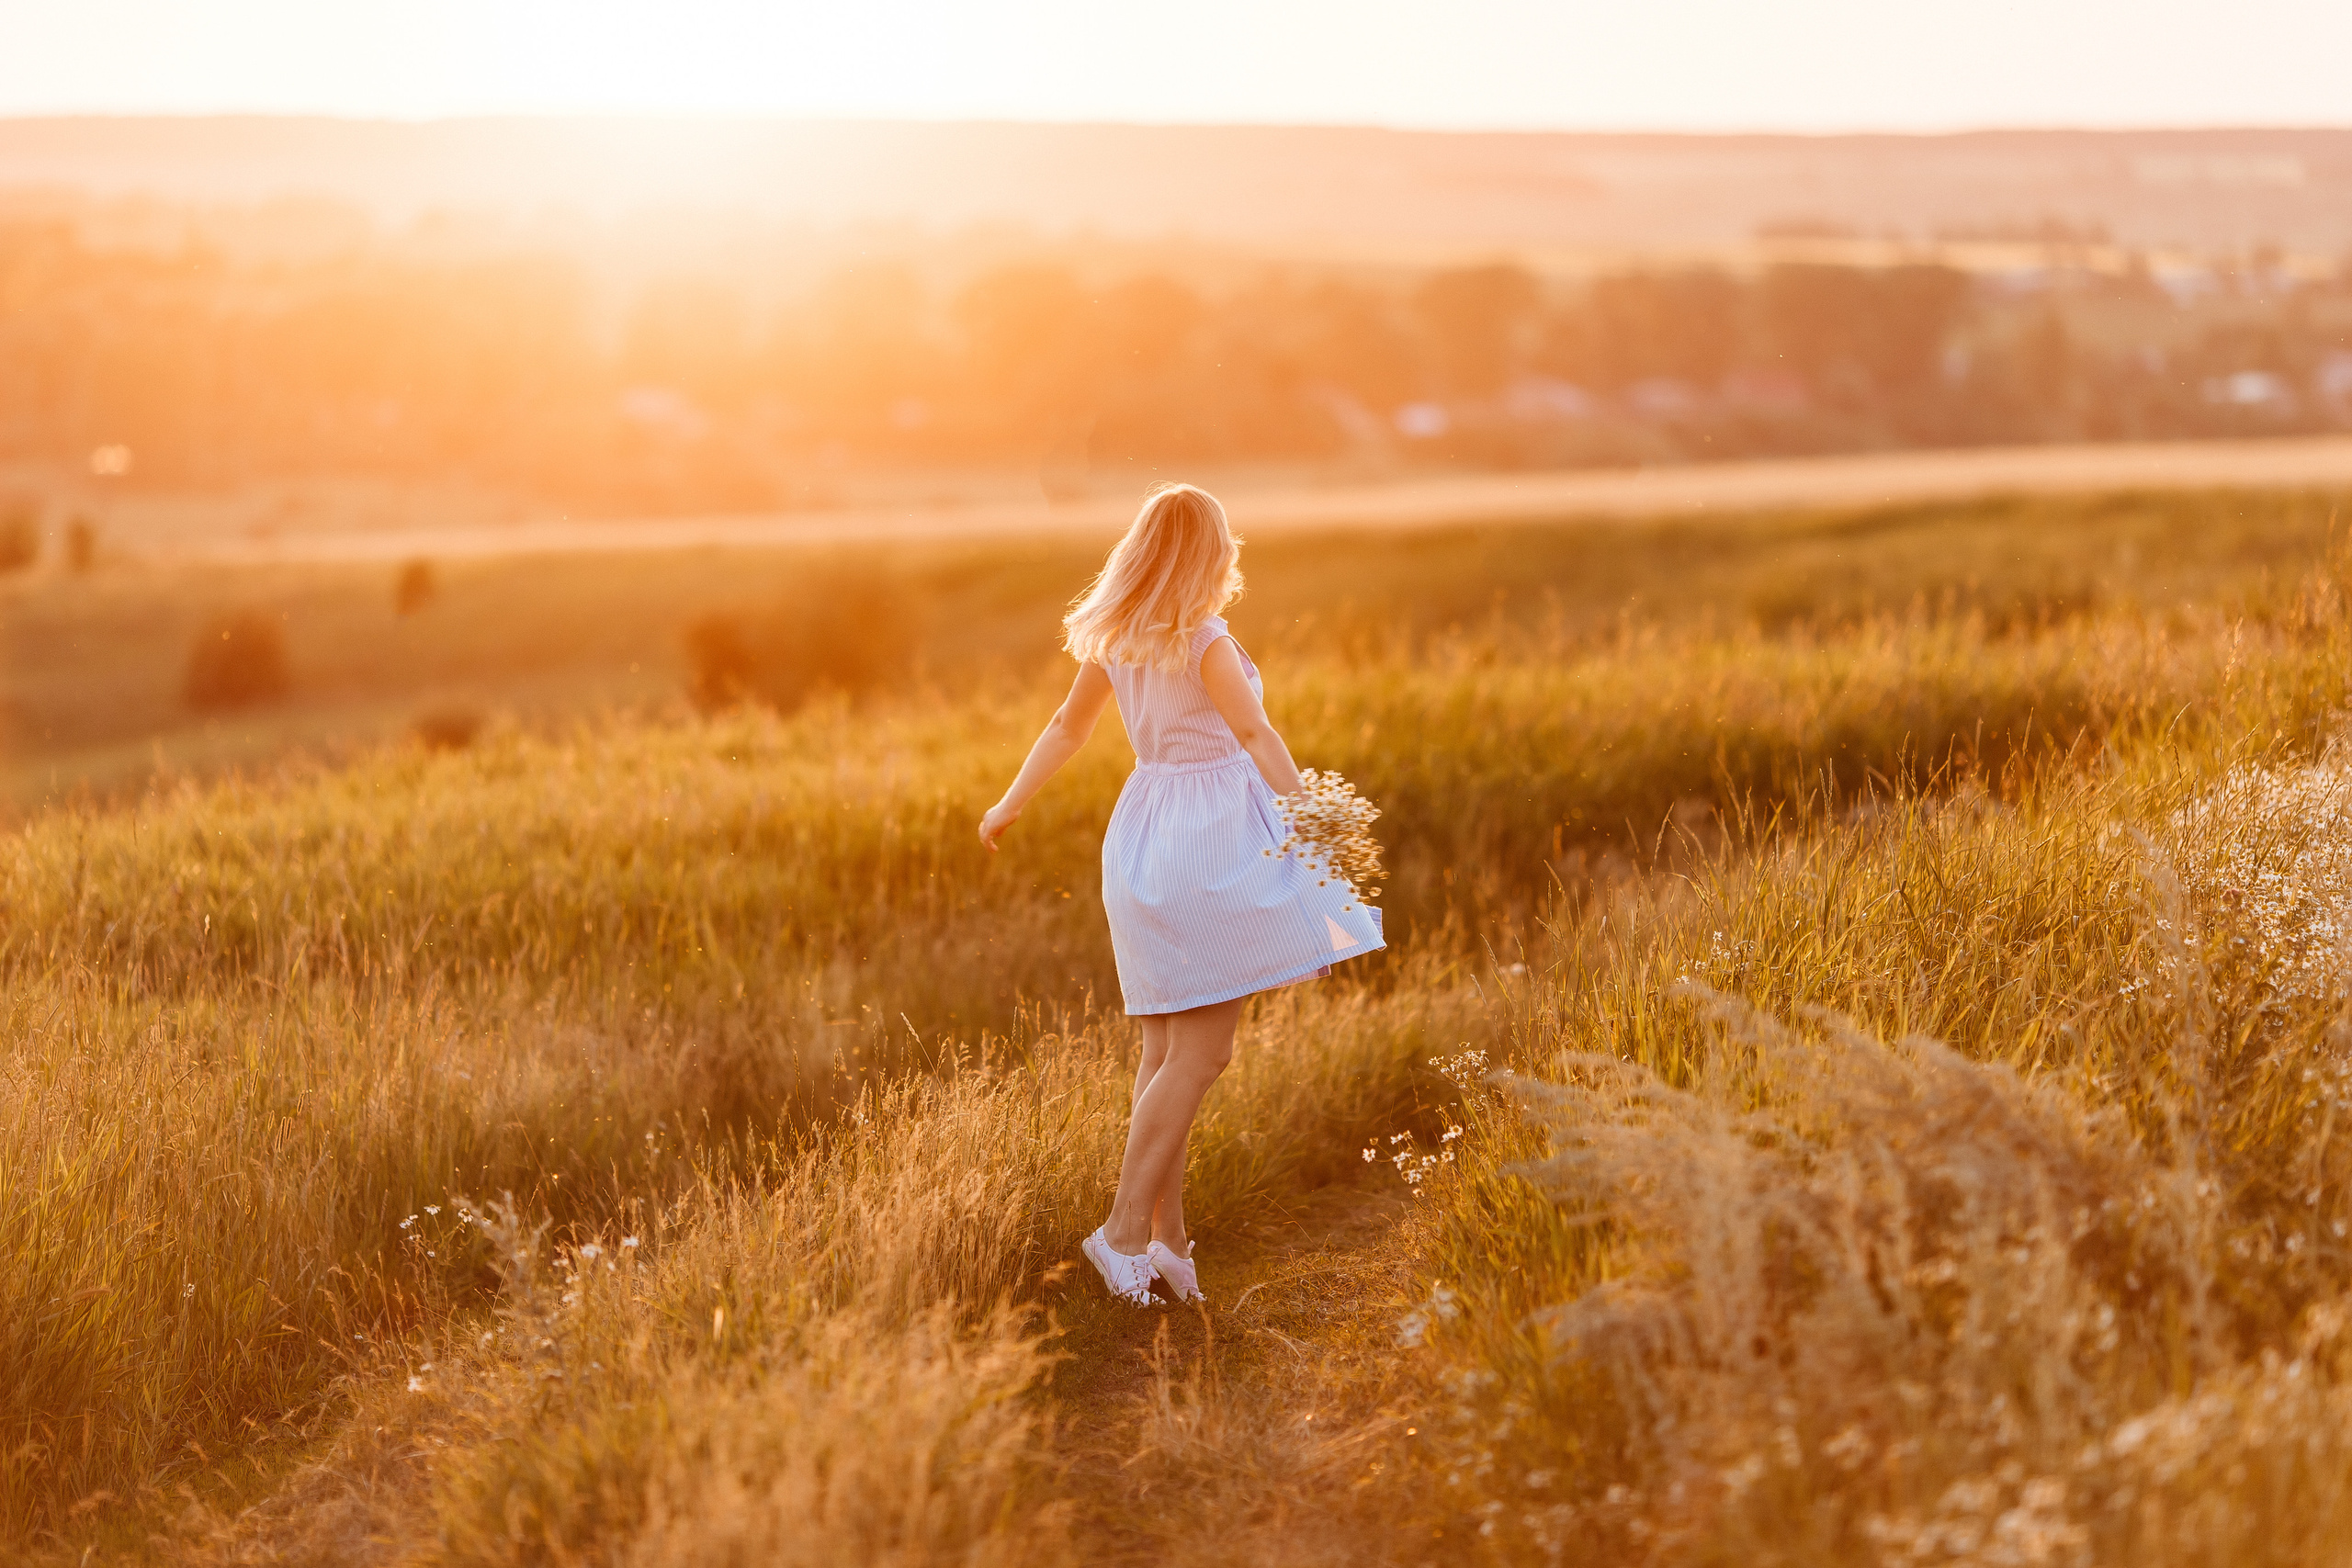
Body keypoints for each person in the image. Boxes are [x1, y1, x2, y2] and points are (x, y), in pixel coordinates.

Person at [978, 484, 1385, 1306]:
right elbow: (1254, 734)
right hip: (1209, 849)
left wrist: (1008, 802)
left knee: (1165, 1053)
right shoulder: (1206, 638)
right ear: (1211, 552)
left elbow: (1066, 727)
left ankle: (1168, 1241)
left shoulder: (1118, 636)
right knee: (1202, 1054)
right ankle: (1122, 1233)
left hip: (1142, 844)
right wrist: (1313, 819)